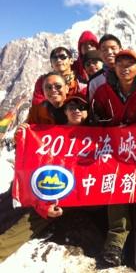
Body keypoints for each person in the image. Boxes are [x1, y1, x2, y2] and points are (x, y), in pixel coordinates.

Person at [0, 78, 88, 262]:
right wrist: (21, 135)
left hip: (80, 188)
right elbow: (33, 155)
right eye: (48, 87)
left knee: (37, 213)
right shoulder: (46, 120)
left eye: (58, 86)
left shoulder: (94, 130)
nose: (76, 111)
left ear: (67, 88)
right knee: (34, 204)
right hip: (52, 182)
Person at [90, 49, 136, 266]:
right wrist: (112, 129)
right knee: (117, 188)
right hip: (113, 153)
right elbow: (95, 121)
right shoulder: (102, 92)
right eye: (120, 63)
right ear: (114, 67)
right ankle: (115, 244)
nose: (124, 67)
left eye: (129, 63)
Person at [87, 34, 123, 101]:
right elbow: (92, 108)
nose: (109, 52)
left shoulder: (133, 72)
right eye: (104, 50)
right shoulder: (95, 81)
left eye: (113, 48)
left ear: (121, 50)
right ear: (100, 53)